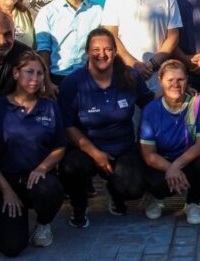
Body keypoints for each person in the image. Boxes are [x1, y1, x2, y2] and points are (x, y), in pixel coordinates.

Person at [59, 29, 154, 228]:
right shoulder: (73, 83)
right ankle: (79, 207)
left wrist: (178, 95)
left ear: (115, 51)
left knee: (134, 189)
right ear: (87, 52)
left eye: (108, 49)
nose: (102, 54)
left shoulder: (130, 76)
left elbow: (149, 102)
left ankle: (116, 193)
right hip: (86, 148)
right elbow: (68, 126)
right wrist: (95, 154)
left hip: (122, 146)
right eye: (96, 49)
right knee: (71, 167)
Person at [0, 51, 67, 255]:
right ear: (15, 73)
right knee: (12, 248)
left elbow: (60, 147)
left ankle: (43, 223)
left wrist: (42, 167)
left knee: (51, 190)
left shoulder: (50, 107)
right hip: (5, 181)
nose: (35, 78)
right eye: (29, 72)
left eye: (39, 73)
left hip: (36, 178)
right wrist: (6, 191)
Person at [139, 60, 200, 225]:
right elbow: (149, 155)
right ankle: (155, 197)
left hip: (187, 159)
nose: (175, 84)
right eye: (170, 80)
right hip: (162, 161)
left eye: (180, 79)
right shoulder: (150, 109)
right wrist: (170, 168)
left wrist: (176, 167)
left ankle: (193, 203)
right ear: (160, 81)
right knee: (156, 184)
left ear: (187, 80)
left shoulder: (199, 103)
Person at [101, 0, 182, 90]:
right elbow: (110, 35)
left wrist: (152, 64)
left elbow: (173, 37)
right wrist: (133, 64)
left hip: (157, 76)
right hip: (125, 74)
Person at [35, 0, 104, 83]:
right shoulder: (48, 12)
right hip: (58, 77)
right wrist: (46, 82)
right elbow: (43, 50)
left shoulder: (97, 10)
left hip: (89, 77)